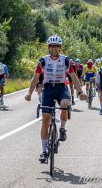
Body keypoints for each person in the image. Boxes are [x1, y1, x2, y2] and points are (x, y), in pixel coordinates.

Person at [25, 35, 87, 163]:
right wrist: (29, 93)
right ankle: (43, 151)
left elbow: (73, 77)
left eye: (57, 46)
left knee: (65, 104)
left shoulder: (66, 61)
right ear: (48, 47)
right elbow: (35, 78)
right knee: (45, 121)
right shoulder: (43, 61)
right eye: (52, 46)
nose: (54, 49)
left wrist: (80, 91)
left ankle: (62, 128)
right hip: (47, 89)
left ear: (60, 48)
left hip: (61, 88)